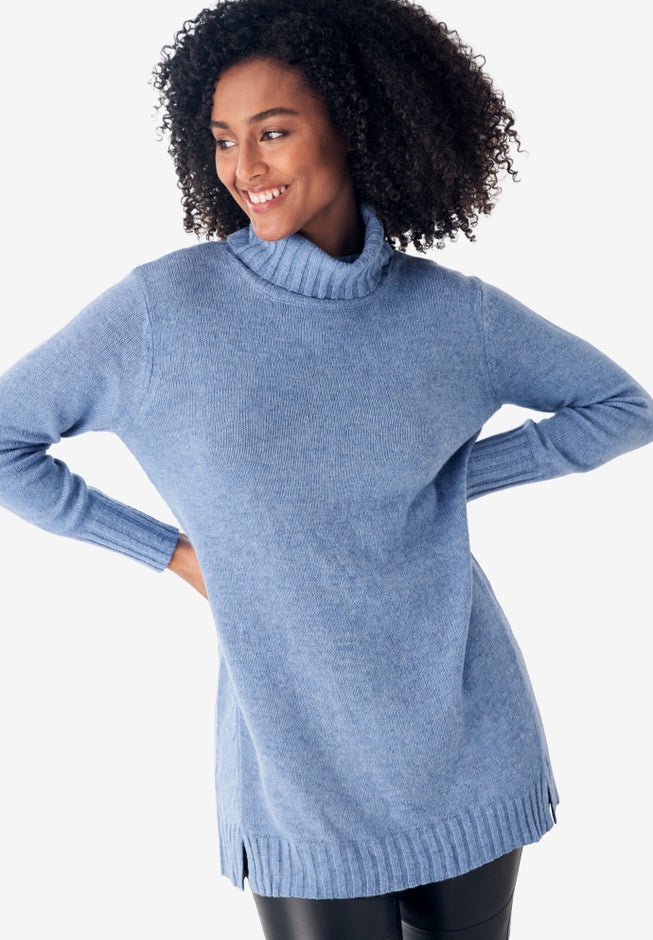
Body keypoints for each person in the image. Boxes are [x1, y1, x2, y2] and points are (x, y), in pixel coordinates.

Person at [0, 0, 652, 937]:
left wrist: (444, 481)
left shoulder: (452, 316)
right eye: (224, 139)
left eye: (272, 132)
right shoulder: (162, 314)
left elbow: (622, 408)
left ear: (353, 125)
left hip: (468, 749)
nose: (243, 168)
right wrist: (172, 552)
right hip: (296, 784)